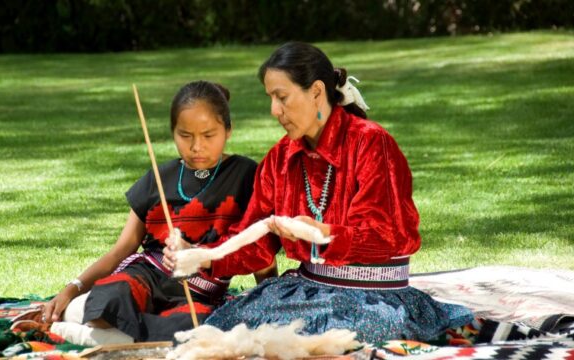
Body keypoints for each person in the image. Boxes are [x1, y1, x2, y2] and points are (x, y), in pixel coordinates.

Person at [165, 43, 473, 344]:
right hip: (311, 290)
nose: (274, 111)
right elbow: (256, 244)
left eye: (281, 97)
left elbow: (387, 236)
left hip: (375, 297)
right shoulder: (280, 158)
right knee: (226, 328)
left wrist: (324, 233)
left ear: (316, 91)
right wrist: (202, 256)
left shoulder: (370, 143)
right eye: (271, 98)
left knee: (350, 336)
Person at [38, 80, 277, 343]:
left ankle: (96, 336)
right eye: (185, 135)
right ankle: (111, 327)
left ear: (228, 131)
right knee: (109, 299)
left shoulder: (246, 175)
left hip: (199, 290)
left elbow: (261, 251)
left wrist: (270, 300)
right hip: (147, 276)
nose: (196, 146)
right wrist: (72, 288)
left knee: (195, 327)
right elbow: (122, 249)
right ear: (173, 132)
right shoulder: (158, 176)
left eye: (209, 135)